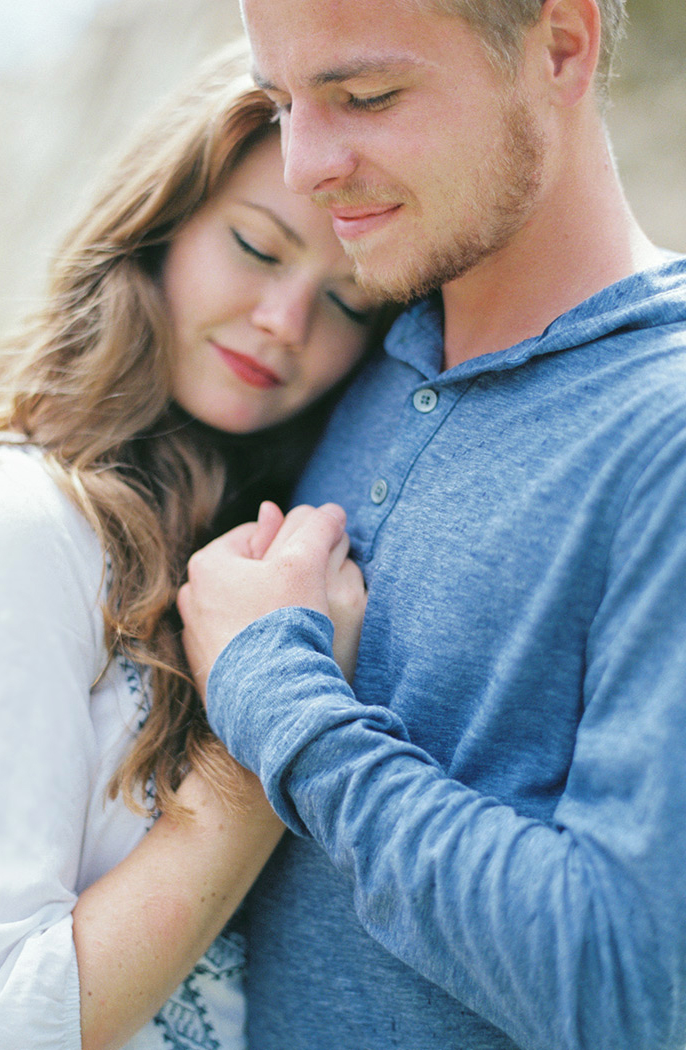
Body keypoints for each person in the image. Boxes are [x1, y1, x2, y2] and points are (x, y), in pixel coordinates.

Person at [0, 41, 386, 1050]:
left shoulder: (240, 527)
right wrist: (263, 738)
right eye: (257, 248)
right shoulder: (5, 520)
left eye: (347, 301)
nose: (285, 321)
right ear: (160, 225)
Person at [173, 1, 686, 1049]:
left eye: (365, 96)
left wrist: (280, 694)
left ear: (558, 45)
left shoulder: (660, 436)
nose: (306, 163)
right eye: (281, 102)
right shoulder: (367, 340)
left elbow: (635, 990)